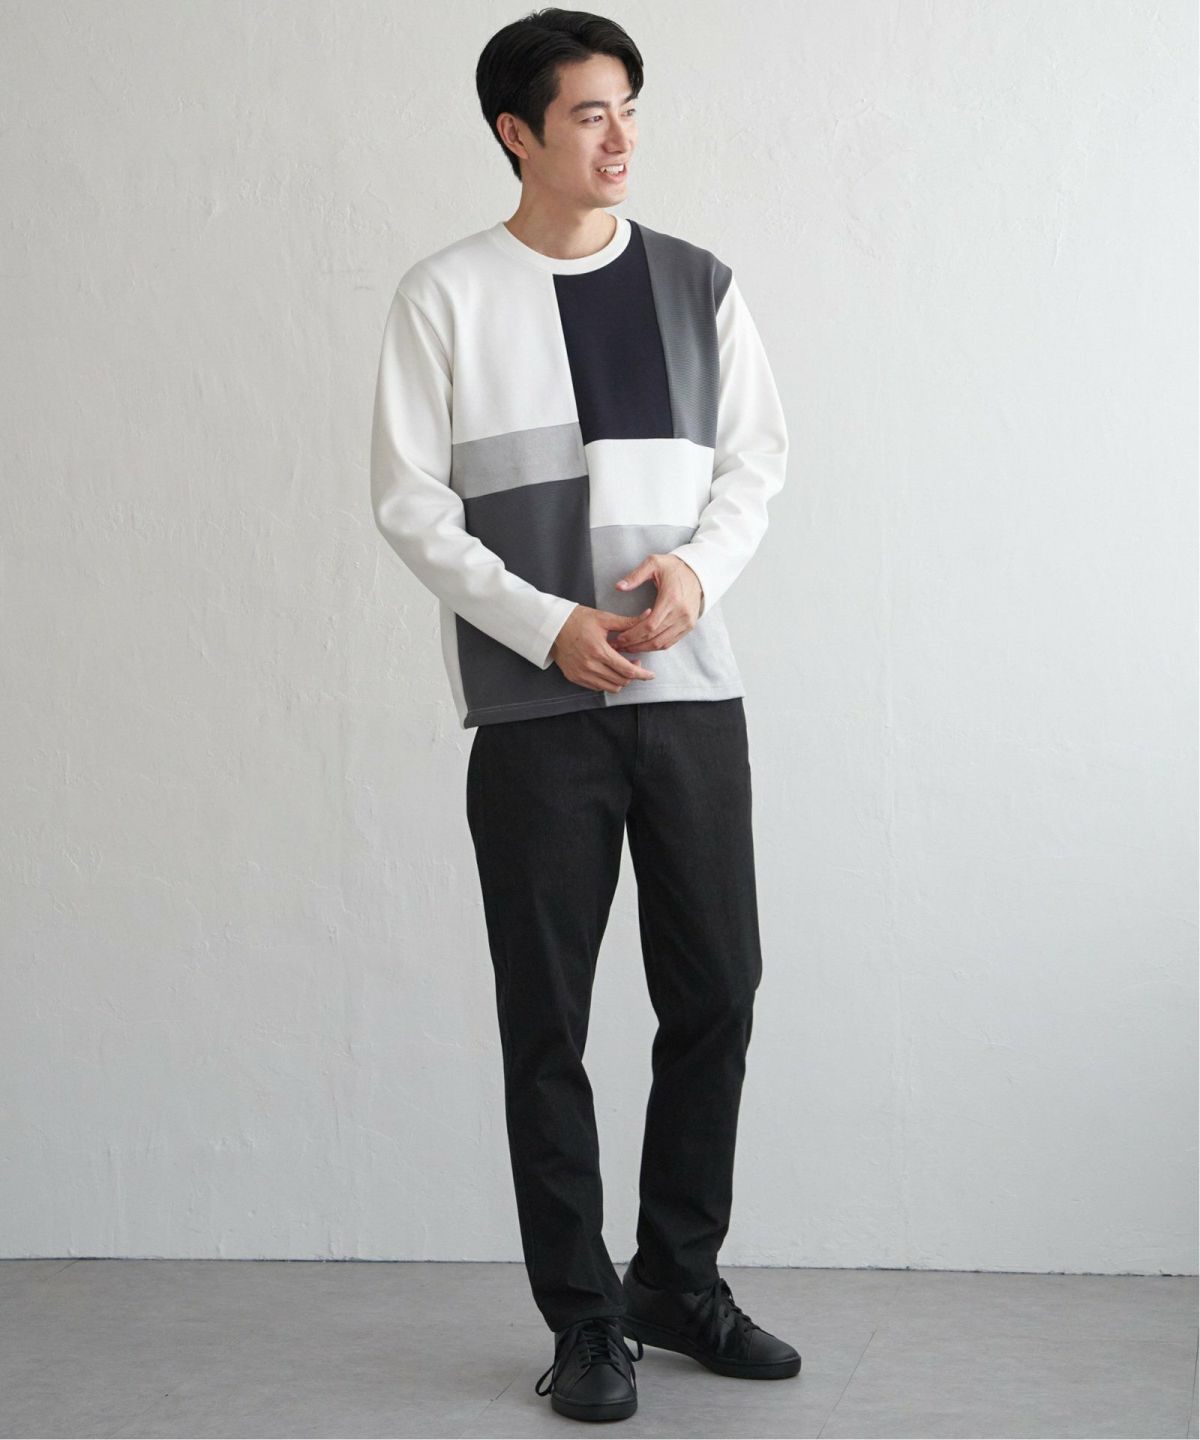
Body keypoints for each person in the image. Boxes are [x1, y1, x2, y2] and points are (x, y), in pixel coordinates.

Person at [369, 7, 799, 1423]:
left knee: (718, 989)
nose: (620, 138)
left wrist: (693, 572)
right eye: (588, 114)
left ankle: (677, 1279)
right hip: (534, 706)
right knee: (546, 1018)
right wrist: (546, 625)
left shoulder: (698, 283)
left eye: (629, 107)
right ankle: (584, 1318)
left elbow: (755, 465)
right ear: (517, 133)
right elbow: (410, 505)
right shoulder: (446, 296)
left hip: (692, 692)